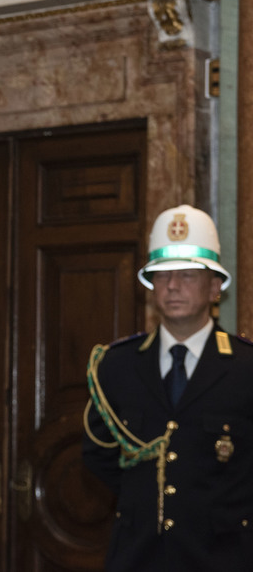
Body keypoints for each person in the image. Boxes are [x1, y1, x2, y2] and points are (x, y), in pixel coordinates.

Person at [82, 204, 253, 571]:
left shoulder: (246, 368)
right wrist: (143, 497)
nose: (172, 285)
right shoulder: (116, 365)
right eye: (161, 275)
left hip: (222, 557)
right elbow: (98, 453)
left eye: (187, 274)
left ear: (215, 287)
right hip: (137, 556)